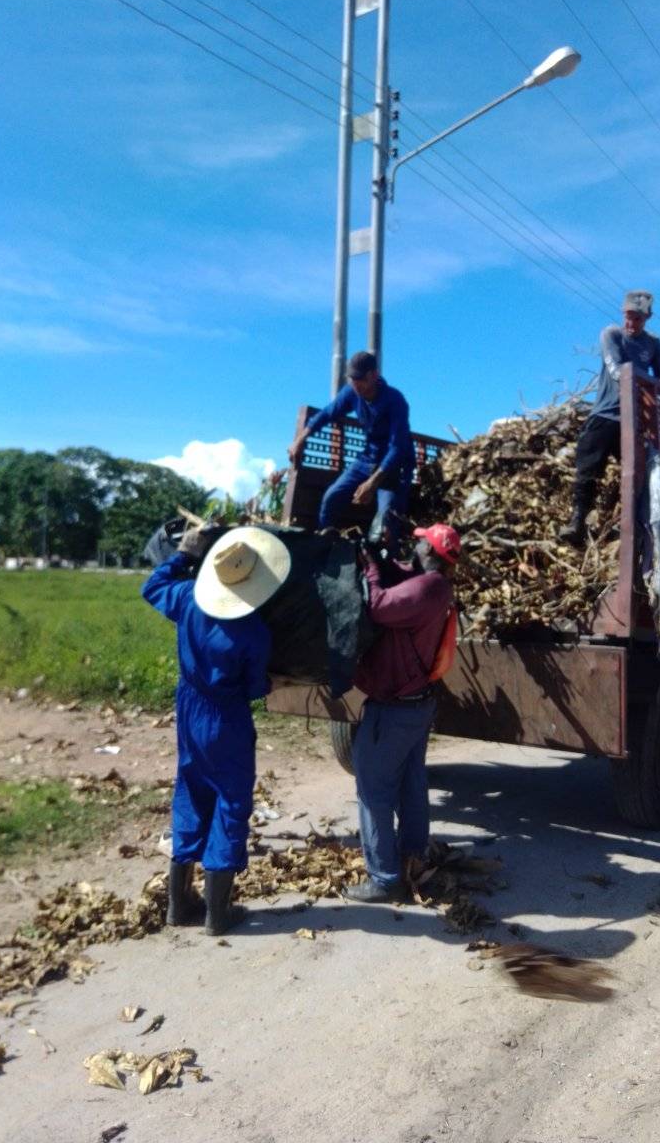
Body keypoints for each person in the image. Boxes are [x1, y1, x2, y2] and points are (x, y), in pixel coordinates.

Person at [142, 524, 291, 936]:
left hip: (189, 708)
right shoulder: (253, 630)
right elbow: (256, 687)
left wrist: (184, 555)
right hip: (227, 716)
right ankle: (217, 914)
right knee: (230, 802)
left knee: (190, 789)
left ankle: (178, 905)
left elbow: (152, 586)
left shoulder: (187, 598)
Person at [344, 522, 460, 903]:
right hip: (416, 705)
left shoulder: (428, 589)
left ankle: (384, 878)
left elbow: (378, 606)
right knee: (412, 784)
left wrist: (370, 567)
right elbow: (403, 579)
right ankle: (414, 856)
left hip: (393, 710)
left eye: (420, 542)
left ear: (430, 552)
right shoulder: (436, 585)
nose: (415, 546)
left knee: (373, 790)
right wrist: (383, 556)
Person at [560, 290, 660, 545]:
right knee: (587, 469)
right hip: (605, 414)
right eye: (628, 317)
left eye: (637, 318)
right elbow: (616, 370)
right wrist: (646, 382)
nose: (631, 323)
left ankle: (635, 528)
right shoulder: (611, 334)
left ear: (647, 317)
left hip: (633, 421)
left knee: (638, 474)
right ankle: (578, 522)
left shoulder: (653, 344)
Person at [287, 350, 415, 551]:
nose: (356, 386)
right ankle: (326, 549)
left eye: (360, 380)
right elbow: (327, 413)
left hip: (392, 467)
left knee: (387, 520)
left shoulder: (395, 401)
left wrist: (372, 483)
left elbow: (397, 447)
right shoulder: (352, 392)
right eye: (352, 380)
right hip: (367, 458)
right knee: (331, 497)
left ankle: (387, 567)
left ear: (373, 375)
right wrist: (300, 439)